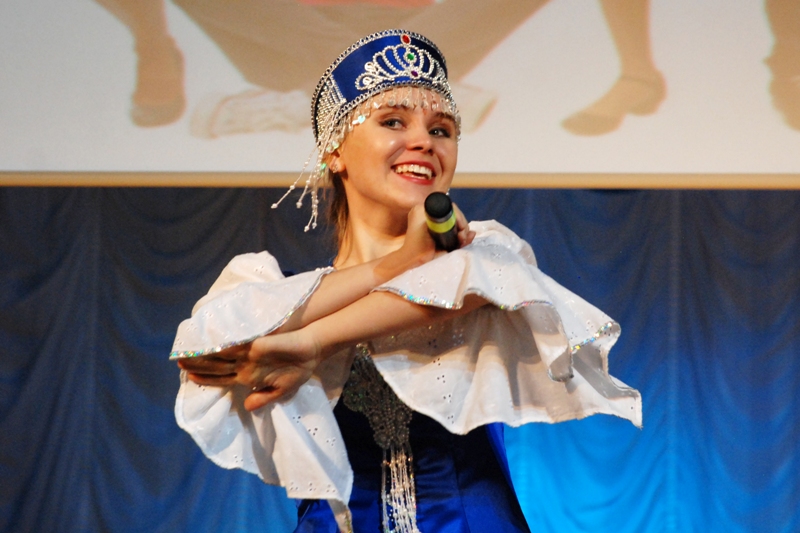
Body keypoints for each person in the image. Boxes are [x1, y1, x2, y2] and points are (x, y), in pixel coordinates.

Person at [171, 30, 641, 533]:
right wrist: (393, 264)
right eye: (393, 121)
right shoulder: (269, 287)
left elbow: (461, 284)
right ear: (335, 151)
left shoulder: (484, 252)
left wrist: (312, 343)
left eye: (441, 130)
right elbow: (205, 348)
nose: (423, 141)